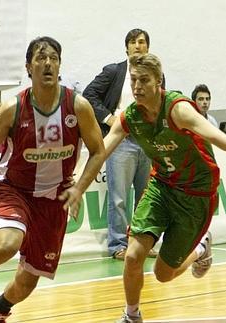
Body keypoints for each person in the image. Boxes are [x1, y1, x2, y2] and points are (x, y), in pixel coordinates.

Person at [0, 36, 106, 323]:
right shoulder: (14, 107)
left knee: (28, 281)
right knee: (6, 244)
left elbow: (99, 151)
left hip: (55, 197)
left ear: (60, 65)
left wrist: (80, 187)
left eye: (53, 58)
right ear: (28, 67)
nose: (47, 63)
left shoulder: (78, 106)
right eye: (40, 58)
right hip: (16, 190)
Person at [106, 53, 226, 323]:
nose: (137, 87)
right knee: (133, 255)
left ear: (159, 82)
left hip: (195, 194)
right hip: (162, 186)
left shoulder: (178, 109)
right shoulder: (132, 115)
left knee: (162, 274)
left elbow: (216, 135)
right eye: (133, 80)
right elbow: (101, 151)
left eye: (144, 80)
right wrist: (74, 183)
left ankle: (201, 249)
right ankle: (131, 315)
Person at [83, 28, 163, 260]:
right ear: (126, 47)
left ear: (148, 47)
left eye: (142, 42)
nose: (138, 46)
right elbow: (89, 95)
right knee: (118, 197)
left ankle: (142, 242)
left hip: (147, 141)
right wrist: (109, 118)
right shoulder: (114, 71)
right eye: (133, 42)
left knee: (145, 196)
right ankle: (118, 244)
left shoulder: (156, 74)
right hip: (121, 141)